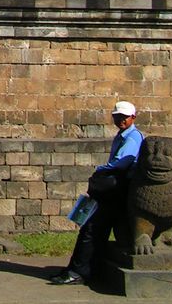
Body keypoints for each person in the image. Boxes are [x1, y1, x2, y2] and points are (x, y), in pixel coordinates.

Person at [50, 100, 144, 285]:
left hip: (116, 187)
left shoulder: (132, 138)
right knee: (93, 229)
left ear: (133, 117)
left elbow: (123, 162)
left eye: (124, 117)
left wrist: (101, 169)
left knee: (91, 228)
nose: (120, 120)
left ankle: (78, 271)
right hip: (112, 185)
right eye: (117, 117)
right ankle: (80, 268)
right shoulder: (123, 135)